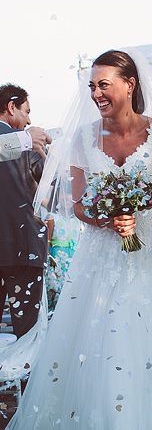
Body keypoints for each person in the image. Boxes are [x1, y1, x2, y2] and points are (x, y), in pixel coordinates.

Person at [9, 50, 152, 429]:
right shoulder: (82, 138)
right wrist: (108, 219)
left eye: (104, 85)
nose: (96, 94)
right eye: (92, 86)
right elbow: (79, 205)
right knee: (105, 348)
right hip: (102, 262)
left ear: (130, 84)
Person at [0, 85, 47, 339]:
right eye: (26, 111)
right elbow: (50, 190)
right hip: (23, 249)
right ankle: (26, 379)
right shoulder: (26, 143)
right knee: (27, 332)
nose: (28, 120)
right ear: (11, 107)